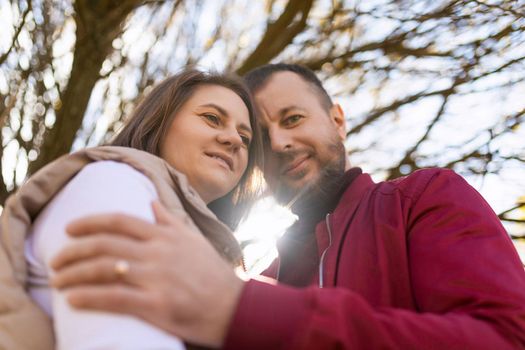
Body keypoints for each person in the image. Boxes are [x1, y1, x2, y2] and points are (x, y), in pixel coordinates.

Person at [50, 64, 525, 349]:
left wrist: (246, 309)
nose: (277, 142)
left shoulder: (420, 199)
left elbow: (505, 339)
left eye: (293, 118)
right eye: (258, 137)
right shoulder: (269, 274)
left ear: (337, 121)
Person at [0, 69, 263, 349]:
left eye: (244, 138)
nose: (234, 140)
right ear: (160, 120)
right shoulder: (114, 183)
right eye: (212, 118)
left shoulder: (187, 234)